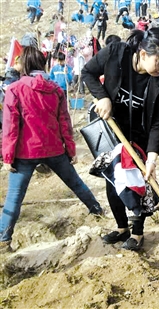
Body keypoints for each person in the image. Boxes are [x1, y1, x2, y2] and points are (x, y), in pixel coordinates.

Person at [0, 46, 103, 253]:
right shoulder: (55, 89)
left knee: (14, 197)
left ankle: (3, 240)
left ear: (25, 65)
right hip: (55, 149)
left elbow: (10, 126)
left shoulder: (14, 89)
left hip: (24, 152)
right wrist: (71, 150)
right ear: (43, 64)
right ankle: (98, 212)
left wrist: (7, 156)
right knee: (76, 184)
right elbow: (65, 122)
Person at [81, 28, 159, 251]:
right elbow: (87, 72)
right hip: (111, 130)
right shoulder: (116, 53)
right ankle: (121, 227)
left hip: (139, 137)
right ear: (143, 54)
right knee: (113, 181)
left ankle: (138, 233)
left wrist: (152, 158)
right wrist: (102, 97)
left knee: (136, 183)